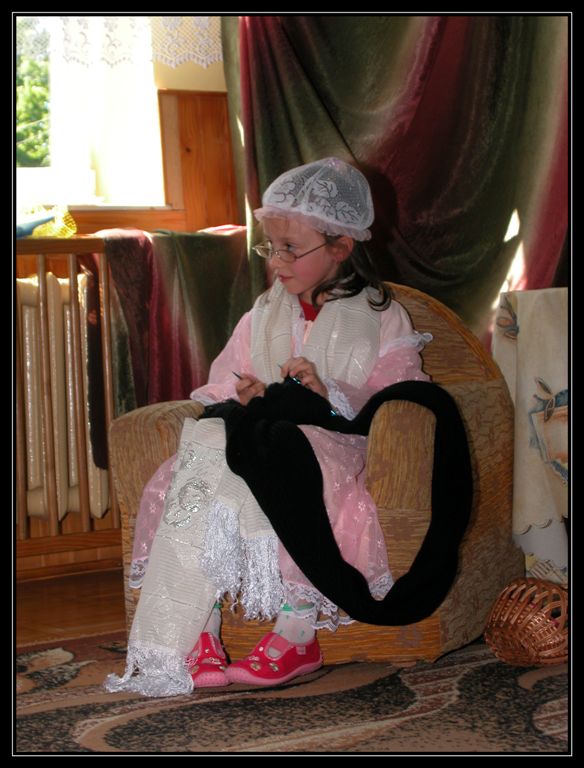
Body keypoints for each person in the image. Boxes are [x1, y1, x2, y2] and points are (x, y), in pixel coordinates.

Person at [105, 157, 432, 697]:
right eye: (270, 248)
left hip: (331, 442)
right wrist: (245, 393)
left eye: (290, 249)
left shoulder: (382, 318)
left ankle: (297, 632)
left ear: (340, 246)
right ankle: (198, 628)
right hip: (259, 438)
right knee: (196, 468)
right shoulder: (260, 316)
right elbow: (220, 383)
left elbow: (401, 394)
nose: (276, 262)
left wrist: (329, 392)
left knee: (296, 474)